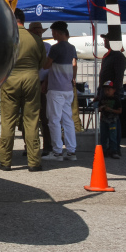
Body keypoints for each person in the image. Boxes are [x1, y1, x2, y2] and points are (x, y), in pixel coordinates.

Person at [0, 9, 46, 171]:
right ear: (23, 21)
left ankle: (5, 161)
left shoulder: (6, 38)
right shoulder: (36, 39)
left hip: (10, 80)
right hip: (31, 79)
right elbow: (42, 63)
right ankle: (34, 162)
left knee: (8, 121)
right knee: (31, 121)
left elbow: (0, 62)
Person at [42, 21, 78, 162]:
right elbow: (74, 65)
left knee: (54, 120)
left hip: (56, 89)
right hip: (68, 89)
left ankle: (57, 152)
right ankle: (71, 151)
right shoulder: (72, 48)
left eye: (52, 32)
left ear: (56, 32)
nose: (52, 35)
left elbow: (46, 65)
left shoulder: (55, 48)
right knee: (67, 120)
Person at [29, 22, 52, 154]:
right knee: (29, 117)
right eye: (36, 31)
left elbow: (50, 67)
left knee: (44, 117)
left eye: (39, 32)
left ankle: (47, 146)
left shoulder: (47, 46)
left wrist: (46, 82)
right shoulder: (29, 45)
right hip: (30, 83)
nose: (38, 34)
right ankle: (30, 147)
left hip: (42, 84)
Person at [96, 80, 122, 158]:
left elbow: (120, 111)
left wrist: (110, 110)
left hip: (113, 121)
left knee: (113, 136)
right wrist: (101, 108)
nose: (107, 92)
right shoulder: (103, 98)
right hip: (104, 120)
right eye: (105, 90)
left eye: (109, 89)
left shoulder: (116, 99)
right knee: (103, 136)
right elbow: (99, 108)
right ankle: (104, 150)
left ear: (114, 90)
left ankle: (114, 150)